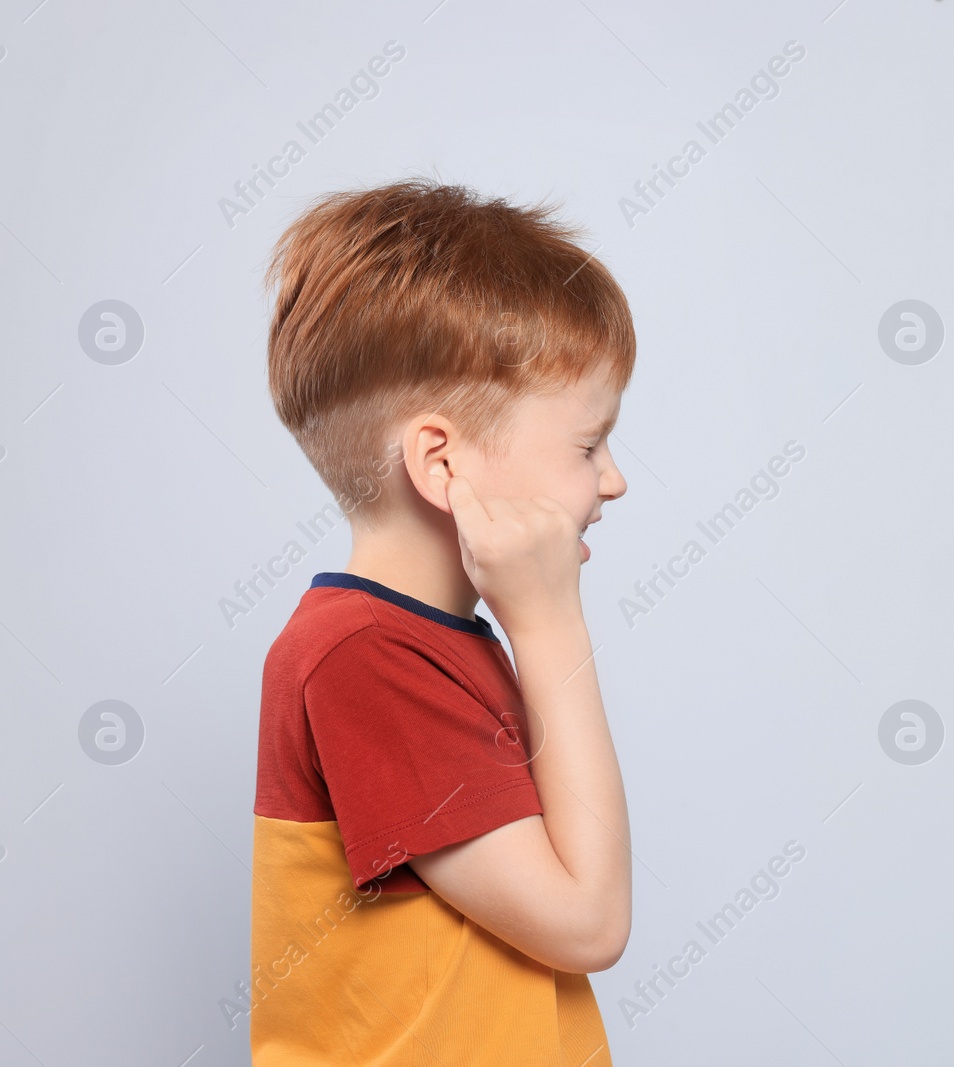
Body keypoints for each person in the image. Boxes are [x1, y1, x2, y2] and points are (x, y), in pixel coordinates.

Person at [248, 179, 634, 1065]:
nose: (612, 480)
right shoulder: (366, 657)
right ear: (440, 459)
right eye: (587, 445)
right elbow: (588, 923)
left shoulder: (424, 643)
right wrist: (550, 628)